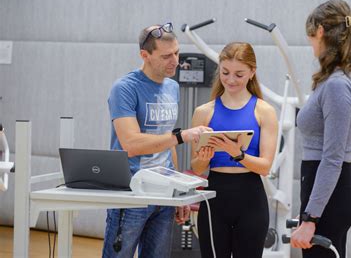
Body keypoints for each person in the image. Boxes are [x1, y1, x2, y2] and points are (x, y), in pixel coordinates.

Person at [102, 23, 211, 258]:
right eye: (166, 56)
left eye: (177, 53)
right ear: (145, 55)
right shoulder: (125, 89)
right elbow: (131, 144)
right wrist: (181, 136)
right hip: (132, 194)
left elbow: (166, 142)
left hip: (163, 193)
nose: (175, 61)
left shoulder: (172, 87)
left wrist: (178, 192)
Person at [290, 0, 351, 258]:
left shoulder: (338, 85)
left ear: (321, 32)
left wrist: (312, 216)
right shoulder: (342, 78)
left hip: (332, 194)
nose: (310, 43)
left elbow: (333, 157)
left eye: (311, 36)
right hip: (329, 192)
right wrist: (308, 210)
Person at [191, 42, 278, 258]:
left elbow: (265, 167)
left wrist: (237, 153)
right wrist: (204, 158)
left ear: (252, 73)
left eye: (239, 74)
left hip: (251, 200)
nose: (231, 80)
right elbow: (197, 168)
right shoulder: (203, 112)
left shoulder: (264, 111)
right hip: (214, 201)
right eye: (225, 72)